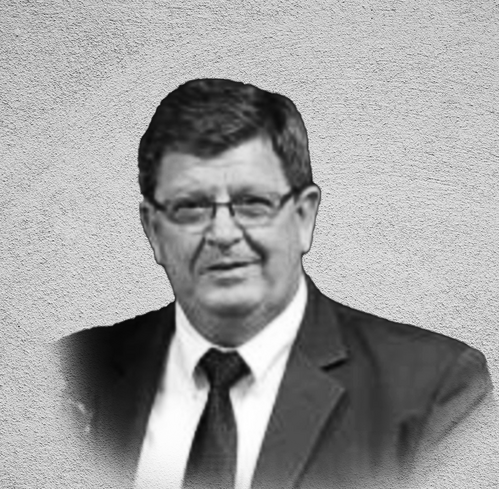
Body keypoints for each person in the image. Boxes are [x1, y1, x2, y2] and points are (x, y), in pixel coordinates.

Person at [57, 79, 494, 489]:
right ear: (154, 230)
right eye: (191, 206)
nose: (222, 233)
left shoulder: (435, 393)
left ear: (303, 218)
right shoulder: (71, 372)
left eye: (252, 203)